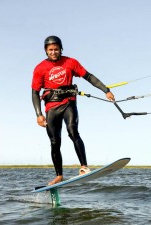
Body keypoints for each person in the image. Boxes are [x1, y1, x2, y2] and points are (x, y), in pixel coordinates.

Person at [31, 36, 115, 185]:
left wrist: (106, 90)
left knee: (73, 131)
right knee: (54, 141)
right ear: (46, 51)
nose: (53, 52)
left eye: (56, 49)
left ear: (61, 49)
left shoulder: (70, 62)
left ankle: (84, 167)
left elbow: (88, 76)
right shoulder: (39, 68)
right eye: (50, 49)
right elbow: (35, 93)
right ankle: (59, 175)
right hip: (51, 107)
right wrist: (38, 114)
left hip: (69, 103)